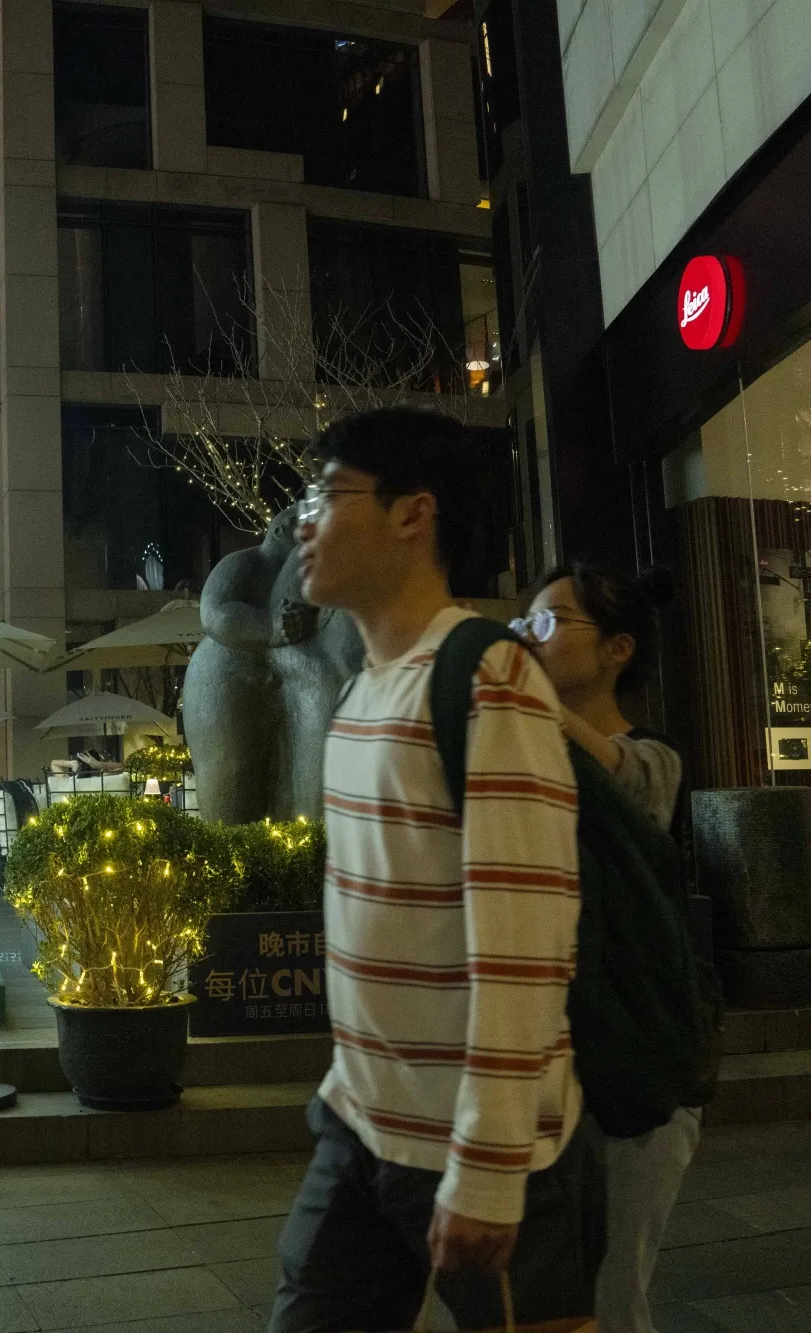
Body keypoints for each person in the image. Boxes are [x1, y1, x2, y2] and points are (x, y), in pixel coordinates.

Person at [270, 407, 603, 1333]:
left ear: (416, 513)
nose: (303, 521)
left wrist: (490, 1164)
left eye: (328, 495)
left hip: (487, 1149)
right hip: (362, 1123)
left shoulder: (485, 675)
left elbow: (526, 940)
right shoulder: (361, 689)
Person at [514, 563, 691, 1333]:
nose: (528, 634)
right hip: (547, 1055)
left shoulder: (653, 758)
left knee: (613, 1299)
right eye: (525, 620)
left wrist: (534, 704)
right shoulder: (521, 750)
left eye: (550, 621)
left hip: (632, 1061)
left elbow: (635, 788)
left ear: (618, 648)